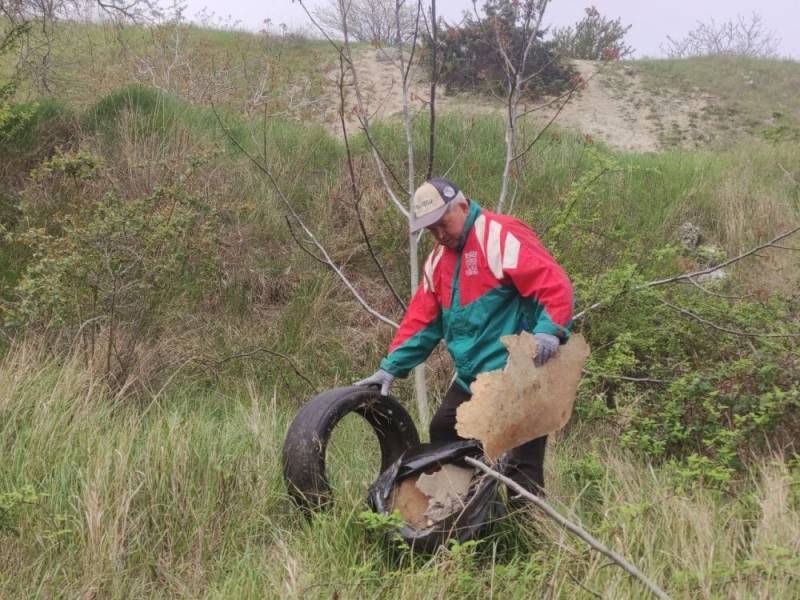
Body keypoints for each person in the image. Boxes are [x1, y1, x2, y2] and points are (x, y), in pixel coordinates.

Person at [356, 177, 574, 498]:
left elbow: (553, 284)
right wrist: (390, 368)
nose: (439, 235)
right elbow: (422, 321)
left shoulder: (499, 235)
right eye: (432, 230)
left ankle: (527, 526)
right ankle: (464, 512)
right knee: (446, 430)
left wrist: (549, 331)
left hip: (523, 371)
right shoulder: (438, 261)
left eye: (443, 224)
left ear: (461, 205)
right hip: (476, 377)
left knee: (520, 464)